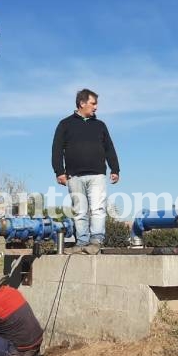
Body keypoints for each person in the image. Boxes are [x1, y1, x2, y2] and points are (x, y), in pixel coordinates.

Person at [51, 88, 120, 254]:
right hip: (74, 176)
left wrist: (115, 168)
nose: (96, 107)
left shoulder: (100, 125)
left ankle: (95, 241)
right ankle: (81, 243)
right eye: (93, 103)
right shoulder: (65, 124)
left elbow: (109, 148)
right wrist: (59, 171)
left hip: (97, 175)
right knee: (79, 210)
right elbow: (56, 149)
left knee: (97, 209)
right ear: (82, 103)